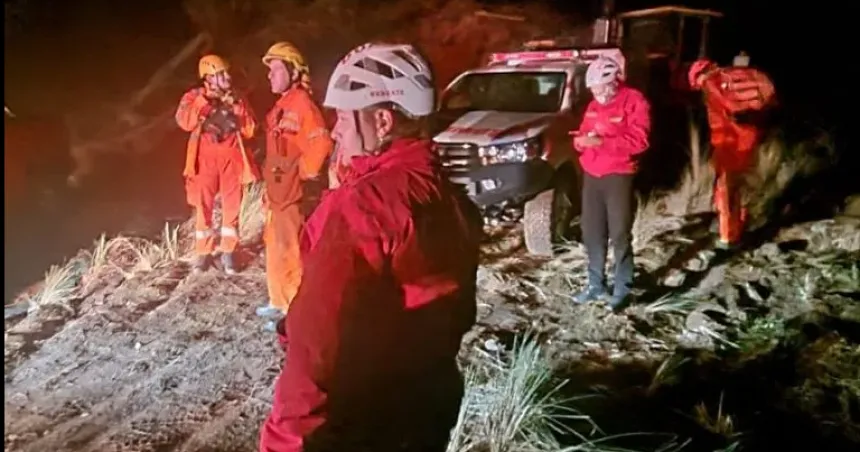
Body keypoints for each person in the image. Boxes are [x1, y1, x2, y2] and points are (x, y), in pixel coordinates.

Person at [258, 42, 483, 452]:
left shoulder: (364, 205)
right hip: (428, 405)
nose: (336, 130)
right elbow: (458, 310)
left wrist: (282, 444)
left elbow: (315, 347)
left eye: (344, 117)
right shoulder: (451, 198)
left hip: (361, 416)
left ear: (381, 121)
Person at [254, 42, 334, 330]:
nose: (270, 75)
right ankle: (278, 301)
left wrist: (302, 173)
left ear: (293, 70)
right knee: (275, 246)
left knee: (291, 249)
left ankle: (295, 309)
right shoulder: (282, 106)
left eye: (276, 69)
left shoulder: (302, 104)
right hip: (277, 192)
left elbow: (321, 141)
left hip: (291, 193)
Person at [571, 56, 651, 308]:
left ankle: (623, 287)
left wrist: (602, 143)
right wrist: (581, 142)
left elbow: (640, 141)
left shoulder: (634, 101)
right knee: (592, 232)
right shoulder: (594, 106)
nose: (596, 94)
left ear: (614, 82)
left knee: (619, 233)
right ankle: (595, 285)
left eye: (600, 88)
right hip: (592, 174)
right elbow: (582, 132)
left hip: (619, 175)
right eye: (593, 89)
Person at [175, 54, 259, 274]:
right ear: (208, 78)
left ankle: (228, 251)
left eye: (226, 72)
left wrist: (238, 107)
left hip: (231, 157)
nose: (227, 77)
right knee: (203, 206)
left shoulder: (237, 97)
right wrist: (205, 103)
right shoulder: (194, 96)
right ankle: (203, 252)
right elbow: (184, 122)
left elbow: (250, 130)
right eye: (220, 74)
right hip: (205, 158)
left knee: (233, 205)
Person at [688, 59, 776, 249]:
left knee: (726, 187)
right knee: (740, 183)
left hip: (730, 141)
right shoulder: (738, 76)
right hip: (751, 135)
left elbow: (720, 117)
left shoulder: (711, 84)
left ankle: (728, 236)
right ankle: (739, 225)